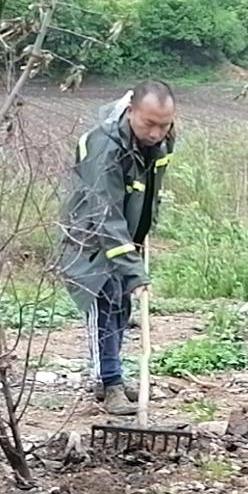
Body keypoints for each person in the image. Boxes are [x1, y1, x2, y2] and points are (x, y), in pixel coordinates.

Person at [59, 82, 177, 415]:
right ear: (130, 112)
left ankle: (110, 376)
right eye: (148, 124)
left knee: (121, 306)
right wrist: (134, 270)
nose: (156, 133)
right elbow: (104, 213)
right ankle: (108, 382)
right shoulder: (105, 147)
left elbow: (150, 188)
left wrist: (142, 231)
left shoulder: (161, 139)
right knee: (104, 302)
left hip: (124, 231)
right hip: (90, 233)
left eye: (163, 125)